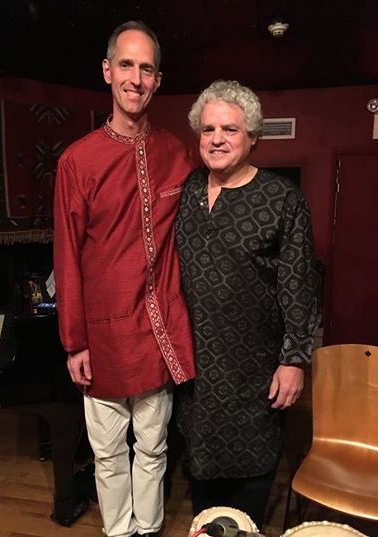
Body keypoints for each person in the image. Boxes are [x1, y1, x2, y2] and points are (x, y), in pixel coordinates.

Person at [53, 20, 196, 537]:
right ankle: (119, 532)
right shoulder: (77, 161)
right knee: (109, 454)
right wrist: (74, 342)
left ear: (158, 79)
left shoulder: (177, 153)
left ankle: (149, 529)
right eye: (127, 65)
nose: (137, 78)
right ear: (108, 71)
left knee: (154, 448)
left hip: (158, 331)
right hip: (103, 334)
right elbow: (67, 257)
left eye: (147, 68)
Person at [175, 80, 320, 530]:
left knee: (249, 489)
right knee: (202, 489)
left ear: (253, 137)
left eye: (230, 130)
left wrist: (294, 360)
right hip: (195, 370)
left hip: (254, 371)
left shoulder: (283, 199)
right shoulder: (188, 189)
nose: (217, 139)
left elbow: (299, 286)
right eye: (208, 129)